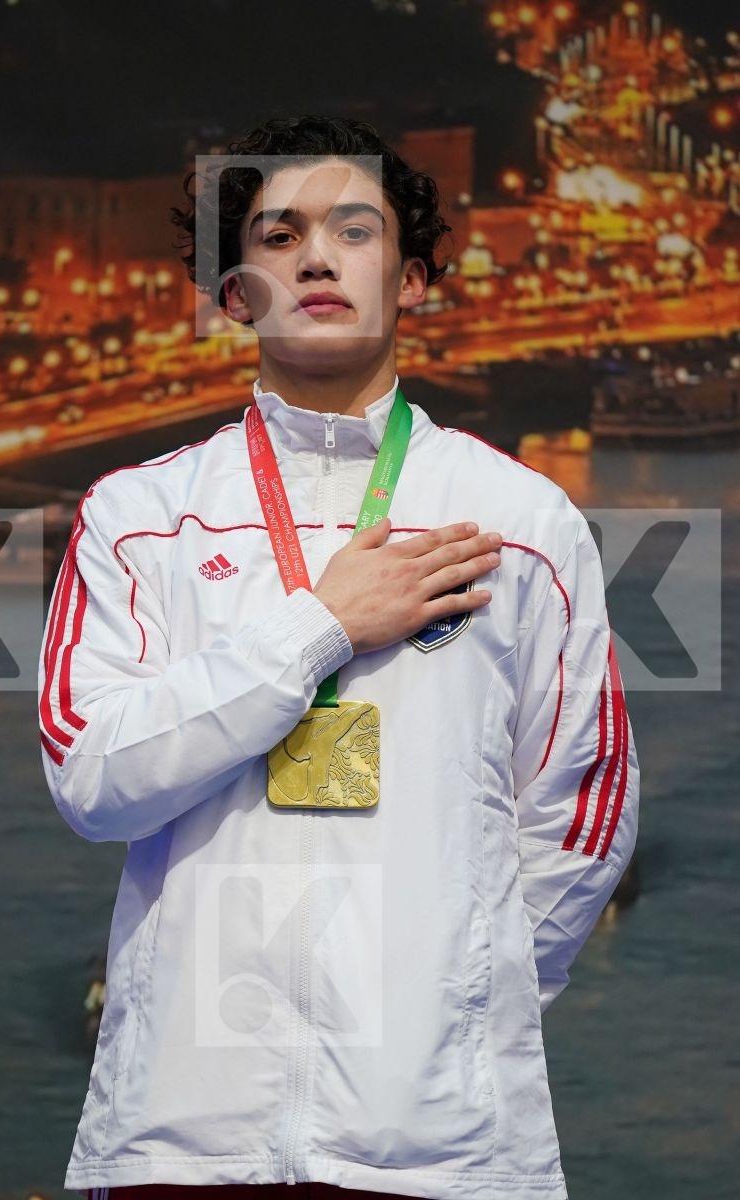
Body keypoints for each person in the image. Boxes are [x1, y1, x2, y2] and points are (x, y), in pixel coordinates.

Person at [38, 114, 640, 1200]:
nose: (315, 257)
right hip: (181, 1138)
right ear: (233, 297)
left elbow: (583, 812)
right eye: (276, 236)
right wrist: (320, 626)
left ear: (412, 282)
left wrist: (454, 1011)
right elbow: (93, 780)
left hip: (444, 1154)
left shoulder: (522, 522)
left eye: (352, 230)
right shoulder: (136, 519)